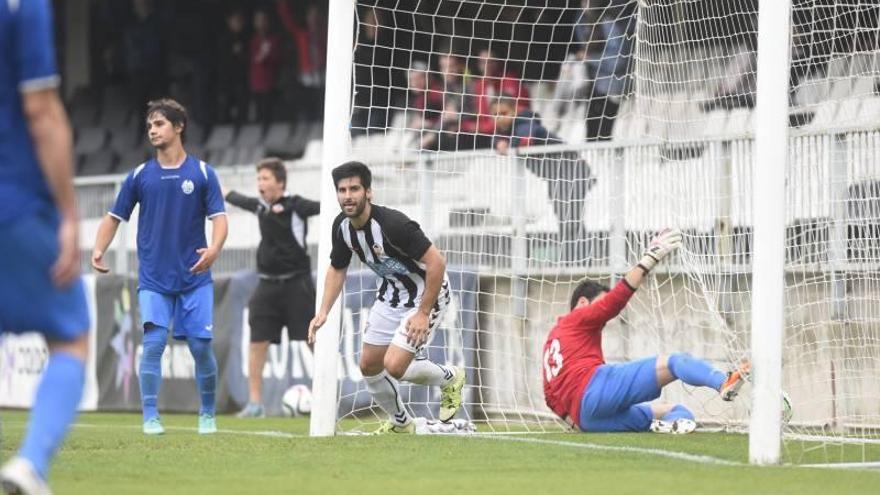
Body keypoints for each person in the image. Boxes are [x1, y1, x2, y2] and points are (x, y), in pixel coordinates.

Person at [91, 99, 228, 436]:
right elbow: (113, 217)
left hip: (195, 277)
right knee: (153, 344)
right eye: (150, 125)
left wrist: (215, 248)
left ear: (178, 127)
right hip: (153, 278)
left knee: (199, 347)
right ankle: (150, 416)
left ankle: (207, 414)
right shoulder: (139, 176)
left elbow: (220, 219)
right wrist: (98, 248)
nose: (152, 129)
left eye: (160, 123)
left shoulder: (202, 173)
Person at [0, 1, 91, 492]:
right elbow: (41, 110)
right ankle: (30, 464)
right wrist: (69, 215)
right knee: (70, 337)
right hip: (14, 203)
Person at [308, 162, 465, 433]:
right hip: (390, 294)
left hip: (427, 293)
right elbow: (337, 268)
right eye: (342, 190)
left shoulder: (394, 224)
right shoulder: (341, 227)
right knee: (368, 365)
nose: (348, 195)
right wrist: (323, 311)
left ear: (368, 192)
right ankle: (402, 424)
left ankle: (450, 378)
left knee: (394, 365)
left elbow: (437, 262)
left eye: (354, 189)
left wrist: (423, 313)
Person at [542, 229, 750, 433]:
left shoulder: (553, 339)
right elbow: (613, 303)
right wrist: (649, 259)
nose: (603, 314)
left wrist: (573, 422)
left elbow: (549, 396)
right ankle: (723, 382)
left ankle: (673, 423)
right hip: (594, 389)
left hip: (587, 419)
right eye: (599, 303)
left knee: (674, 410)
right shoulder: (577, 317)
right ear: (582, 302)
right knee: (674, 362)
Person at [224, 158, 320, 418]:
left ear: (280, 182)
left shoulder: (297, 205)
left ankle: (326, 399)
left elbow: (327, 207)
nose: (260, 184)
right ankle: (255, 405)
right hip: (266, 285)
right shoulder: (259, 207)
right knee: (257, 342)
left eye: (265, 179)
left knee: (314, 340)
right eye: (258, 179)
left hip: (298, 284)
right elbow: (236, 198)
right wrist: (215, 187)